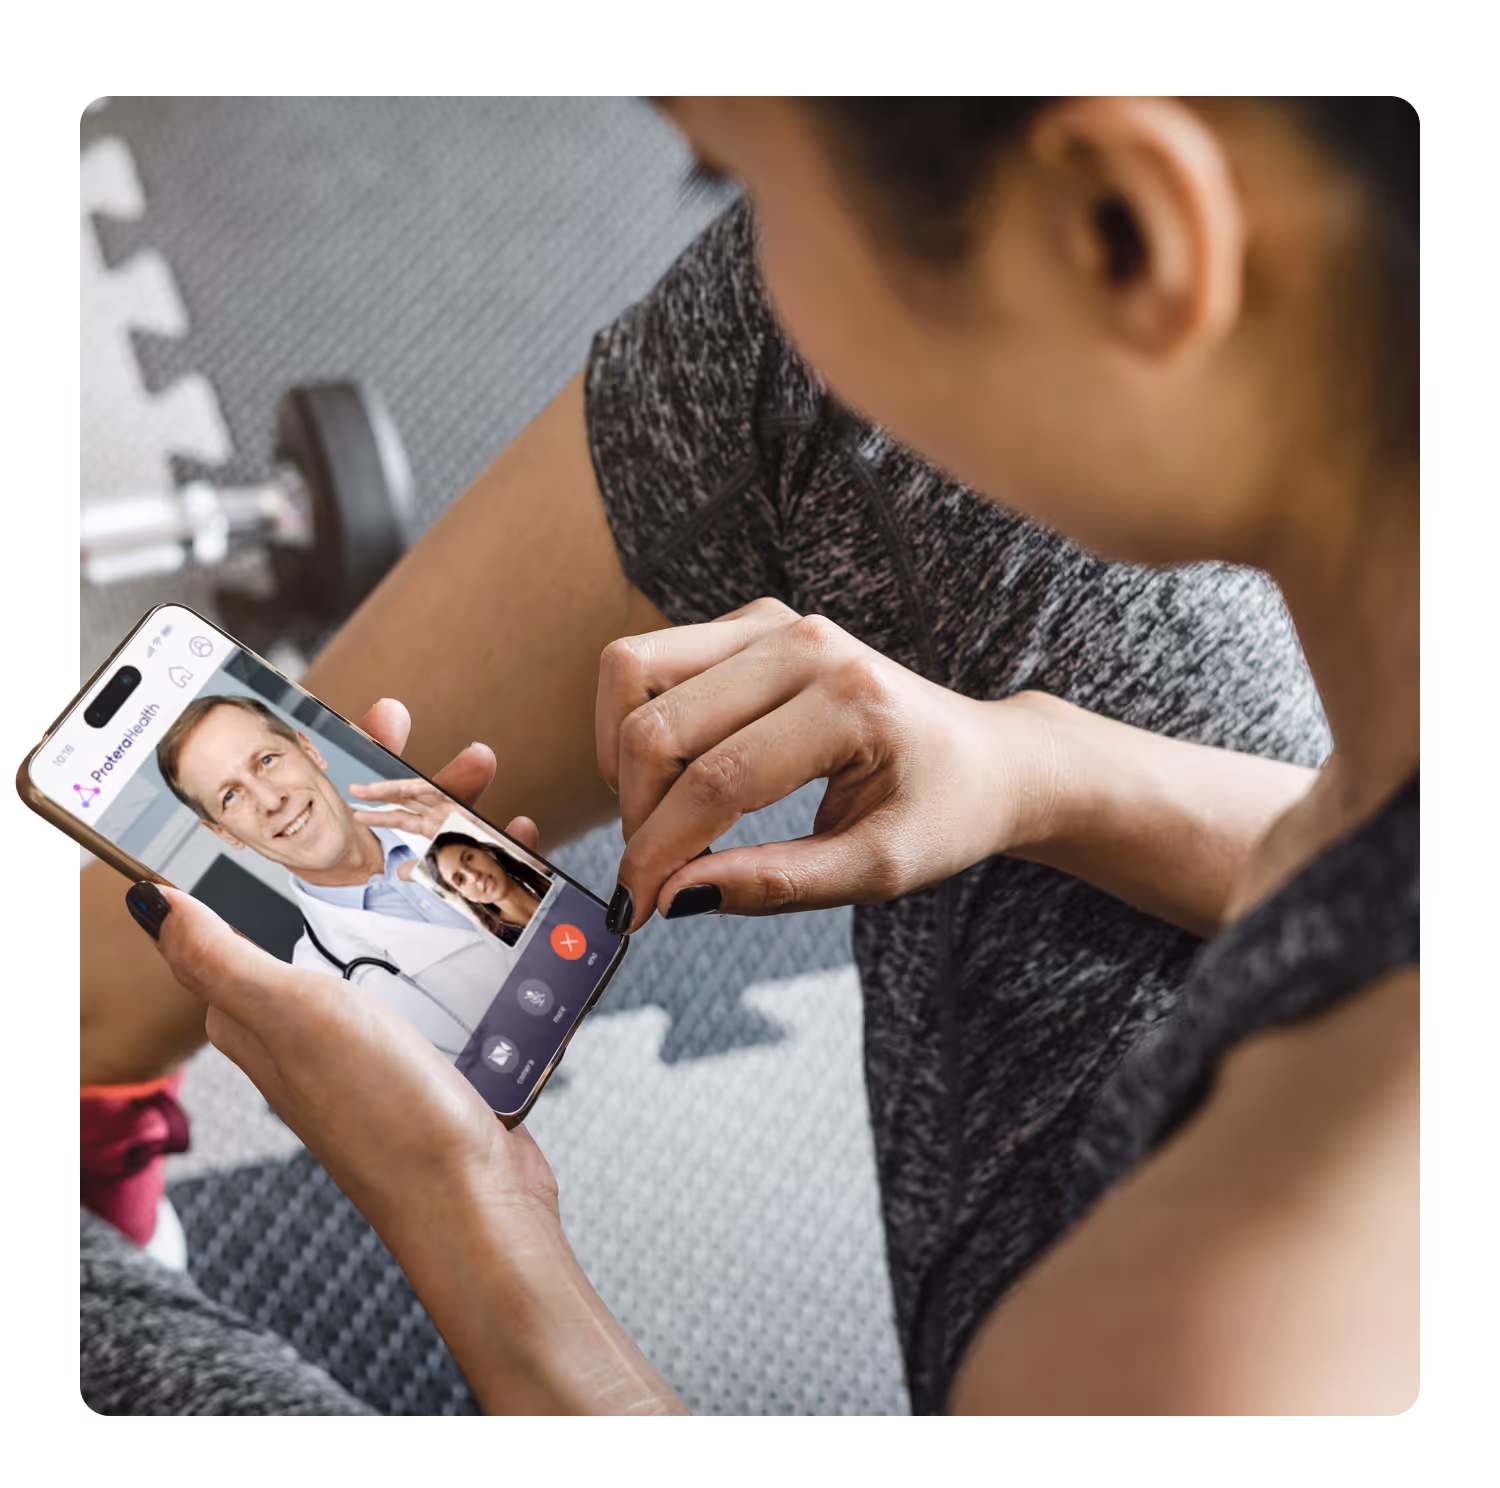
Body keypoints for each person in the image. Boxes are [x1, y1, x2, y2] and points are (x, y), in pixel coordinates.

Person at [80, 95, 1415, 1414]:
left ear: (1130, 230)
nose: (748, 245)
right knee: (804, 361)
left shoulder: (1230, 1342)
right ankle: (89, 1033)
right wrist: (1035, 765)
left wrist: (464, 1213)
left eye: (733, 184)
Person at [154, 693, 517, 1055]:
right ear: (224, 833)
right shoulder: (315, 987)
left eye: (266, 761)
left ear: (309, 749)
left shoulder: (439, 814)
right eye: (231, 796)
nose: (270, 800)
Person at [423, 829, 551, 945]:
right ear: (464, 895)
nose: (474, 876)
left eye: (469, 858)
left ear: (488, 853)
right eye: (460, 880)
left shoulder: (550, 871)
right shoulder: (503, 944)